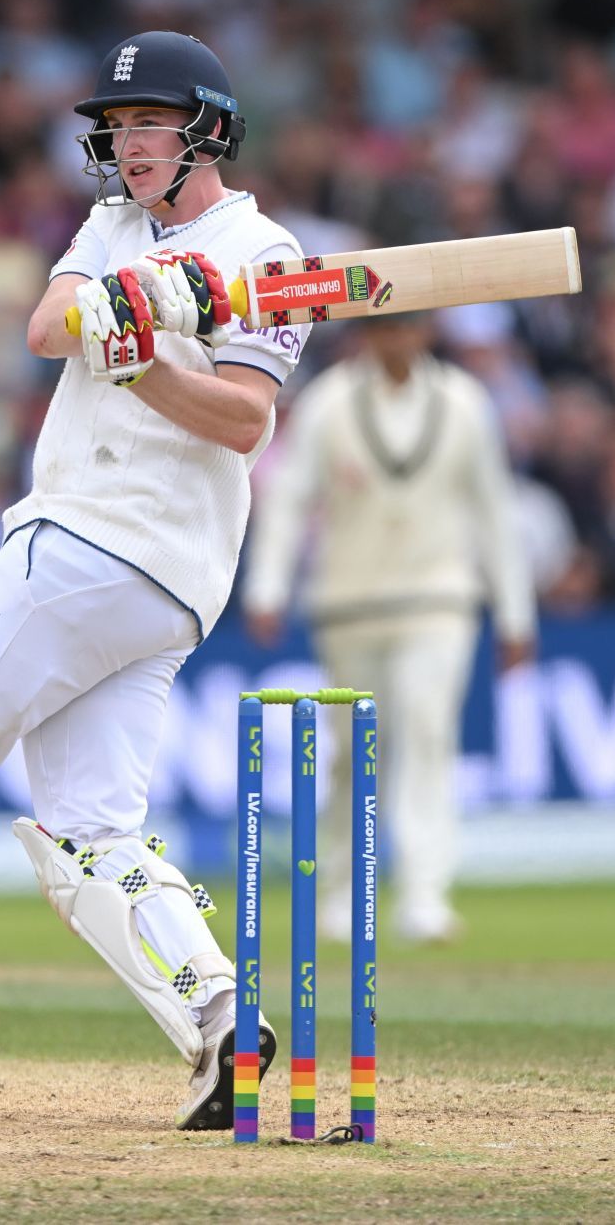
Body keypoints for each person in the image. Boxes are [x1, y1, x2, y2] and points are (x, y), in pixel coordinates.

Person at [0, 31, 309, 1130]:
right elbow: (49, 327)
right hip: (162, 582)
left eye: (152, 124)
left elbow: (242, 420)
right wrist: (146, 304)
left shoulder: (270, 254)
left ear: (208, 130)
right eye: (120, 126)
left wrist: (151, 356)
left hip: (101, 539)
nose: (129, 145)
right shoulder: (116, 226)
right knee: (93, 828)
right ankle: (221, 1021)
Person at [243, 315, 535, 944]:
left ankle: (426, 893)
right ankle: (344, 891)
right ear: (366, 337)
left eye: (405, 330)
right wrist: (268, 586)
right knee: (352, 754)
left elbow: (493, 506)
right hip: (349, 601)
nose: (394, 343)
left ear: (425, 333)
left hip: (439, 597)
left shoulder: (462, 400)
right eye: (383, 332)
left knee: (428, 732)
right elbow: (291, 497)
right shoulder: (328, 402)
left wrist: (516, 611)